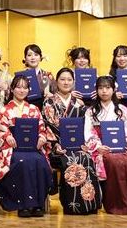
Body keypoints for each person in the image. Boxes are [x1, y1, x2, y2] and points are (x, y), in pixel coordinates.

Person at [42, 67, 101, 215]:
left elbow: (84, 127)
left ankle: (89, 203)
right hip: (57, 147)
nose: (66, 82)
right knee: (71, 159)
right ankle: (72, 204)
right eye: (62, 79)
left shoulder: (79, 103)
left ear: (74, 82)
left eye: (69, 80)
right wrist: (56, 145)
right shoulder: (49, 102)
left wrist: (84, 144)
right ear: (56, 82)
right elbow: (48, 127)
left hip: (77, 144)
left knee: (86, 158)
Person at [0, 75, 53, 218]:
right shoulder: (4, 110)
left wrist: (41, 137)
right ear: (12, 89)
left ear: (29, 90)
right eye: (18, 87)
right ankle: (23, 205)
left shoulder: (34, 109)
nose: (21, 90)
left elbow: (42, 128)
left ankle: (37, 204)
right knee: (22, 162)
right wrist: (7, 136)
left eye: (25, 88)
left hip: (33, 148)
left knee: (40, 162)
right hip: (13, 149)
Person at [84, 75, 127, 215]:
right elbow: (88, 133)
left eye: (107, 88)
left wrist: (126, 145)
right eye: (101, 88)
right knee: (113, 161)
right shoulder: (91, 111)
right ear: (96, 90)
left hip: (121, 147)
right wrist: (98, 147)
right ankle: (115, 204)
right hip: (102, 149)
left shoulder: (122, 110)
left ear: (113, 90)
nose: (104, 91)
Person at [20, 44, 55, 110]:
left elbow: (56, 93)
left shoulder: (47, 75)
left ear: (40, 57)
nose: (33, 58)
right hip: (24, 109)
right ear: (25, 58)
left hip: (43, 109)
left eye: (36, 55)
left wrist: (52, 96)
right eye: (29, 55)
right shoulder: (20, 76)